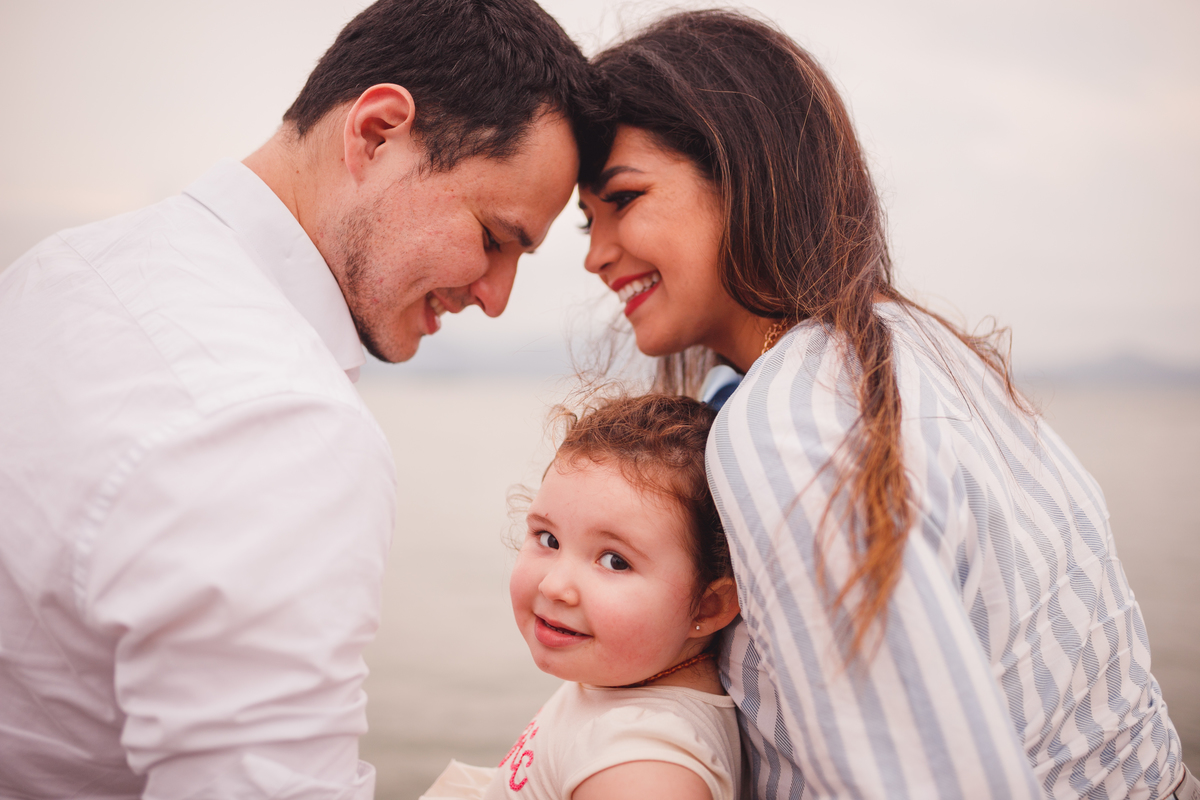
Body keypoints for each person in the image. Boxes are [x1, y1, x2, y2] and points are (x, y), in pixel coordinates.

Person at [578, 9, 1195, 800]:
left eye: (624, 199)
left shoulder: (789, 421)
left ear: (743, 175)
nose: (594, 255)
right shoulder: (917, 349)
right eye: (586, 222)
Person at [0, 1, 599, 797]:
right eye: (494, 237)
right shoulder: (280, 419)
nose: (496, 297)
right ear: (377, 133)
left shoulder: (56, 271)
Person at [419, 395, 742, 800]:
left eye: (615, 561)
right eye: (548, 539)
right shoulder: (620, 683)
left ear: (708, 606)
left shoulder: (641, 765)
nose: (553, 586)